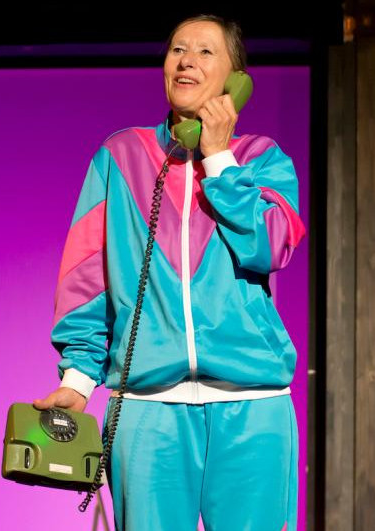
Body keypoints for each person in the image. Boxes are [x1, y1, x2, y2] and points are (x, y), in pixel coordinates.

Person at [35, 14, 306, 531]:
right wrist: (78, 380)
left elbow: (272, 246)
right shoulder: (120, 157)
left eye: (205, 52)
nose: (186, 61)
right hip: (147, 409)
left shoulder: (262, 159)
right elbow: (86, 279)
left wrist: (219, 159)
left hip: (253, 408)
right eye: (178, 49)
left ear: (236, 80)